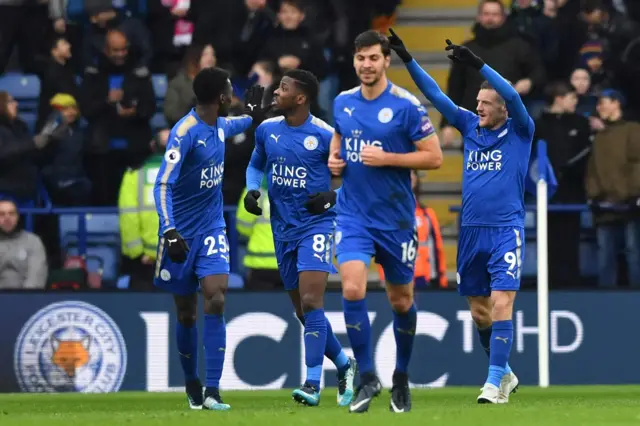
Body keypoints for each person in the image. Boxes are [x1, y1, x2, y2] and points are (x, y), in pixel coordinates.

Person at [387, 28, 534, 404]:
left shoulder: (520, 130)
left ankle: (493, 383)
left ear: (503, 109)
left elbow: (515, 94)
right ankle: (505, 372)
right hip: (471, 233)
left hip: (505, 230)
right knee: (480, 313)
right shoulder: (470, 127)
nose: (478, 106)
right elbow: (435, 95)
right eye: (478, 101)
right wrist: (408, 59)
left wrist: (480, 65)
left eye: (486, 102)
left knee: (502, 302)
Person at [328, 30, 443, 414]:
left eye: (373, 58)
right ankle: (366, 377)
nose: (366, 65)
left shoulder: (407, 106)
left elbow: (434, 157)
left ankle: (401, 378)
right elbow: (340, 138)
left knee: (401, 300)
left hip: (394, 219)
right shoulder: (342, 102)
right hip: (353, 213)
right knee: (352, 289)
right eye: (360, 58)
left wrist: (389, 159)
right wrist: (334, 160)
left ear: (386, 60)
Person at [153, 67, 269, 411]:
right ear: (220, 97)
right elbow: (163, 184)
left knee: (216, 298)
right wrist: (169, 230)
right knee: (186, 311)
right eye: (230, 90)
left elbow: (237, 125)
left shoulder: (219, 125)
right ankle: (192, 381)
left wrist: (252, 114)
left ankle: (213, 390)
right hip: (181, 234)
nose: (234, 93)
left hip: (212, 228)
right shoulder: (184, 132)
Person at [243, 69, 357, 406]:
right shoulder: (266, 130)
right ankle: (343, 364)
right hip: (282, 228)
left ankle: (311, 383)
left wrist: (333, 197)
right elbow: (255, 165)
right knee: (302, 311)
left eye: (283, 87)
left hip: (316, 226)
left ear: (301, 97)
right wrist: (252, 190)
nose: (276, 92)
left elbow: (355, 178)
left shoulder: (325, 135)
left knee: (311, 301)